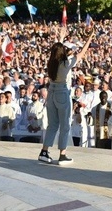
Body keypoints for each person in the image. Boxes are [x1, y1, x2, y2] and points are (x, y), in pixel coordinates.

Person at [38, 26, 93, 165]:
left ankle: (44, 151)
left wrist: (61, 38)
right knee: (64, 125)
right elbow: (81, 54)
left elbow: (56, 50)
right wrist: (90, 38)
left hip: (51, 93)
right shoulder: (65, 64)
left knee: (52, 125)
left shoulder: (51, 63)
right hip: (62, 93)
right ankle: (62, 154)